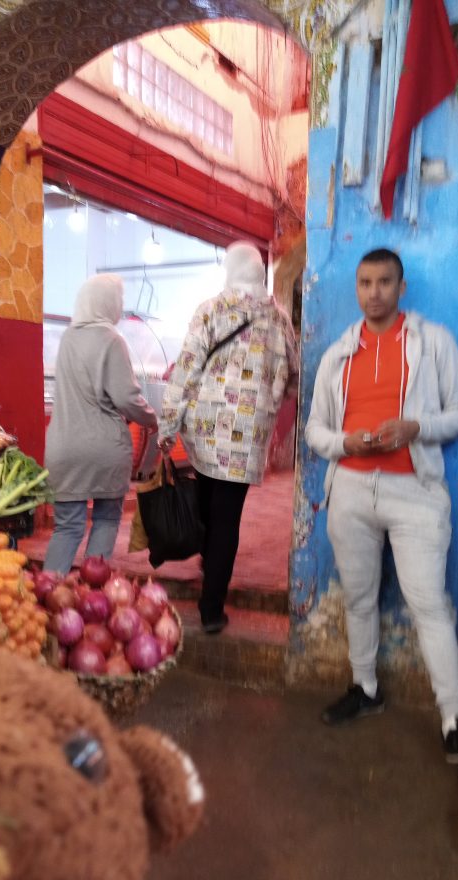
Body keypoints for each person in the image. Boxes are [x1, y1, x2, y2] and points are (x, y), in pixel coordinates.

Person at [304, 247, 458, 768]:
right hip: (351, 490)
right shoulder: (338, 353)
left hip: (415, 492)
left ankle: (455, 722)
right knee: (358, 598)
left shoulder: (433, 342)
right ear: (357, 288)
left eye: (384, 282)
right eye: (365, 283)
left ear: (401, 287)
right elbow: (315, 430)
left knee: (429, 604)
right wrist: (347, 443)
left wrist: (416, 427)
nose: (374, 293)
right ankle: (365, 688)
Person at [158, 241, 298, 634]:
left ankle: (209, 561)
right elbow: (293, 377)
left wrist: (167, 425)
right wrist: (267, 398)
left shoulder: (210, 310)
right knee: (226, 518)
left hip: (204, 432)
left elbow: (186, 369)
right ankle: (211, 609)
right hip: (248, 437)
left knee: (207, 504)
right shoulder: (279, 319)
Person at [43, 273, 157, 575]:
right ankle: (92, 593)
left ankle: (49, 591)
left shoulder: (68, 337)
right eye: (118, 299)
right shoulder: (112, 340)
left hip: (62, 448)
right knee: (105, 520)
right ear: (108, 303)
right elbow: (126, 398)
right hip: (103, 449)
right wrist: (152, 419)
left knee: (67, 527)